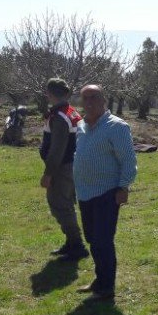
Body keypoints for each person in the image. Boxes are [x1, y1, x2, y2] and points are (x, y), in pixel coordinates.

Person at [73, 85, 137, 300]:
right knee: (93, 239)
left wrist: (123, 186)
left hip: (107, 193)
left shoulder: (116, 127)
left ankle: (106, 289)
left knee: (103, 240)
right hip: (84, 193)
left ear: (104, 101)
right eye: (85, 98)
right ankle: (100, 279)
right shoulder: (81, 126)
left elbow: (128, 160)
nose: (89, 102)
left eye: (94, 97)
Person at [40, 78, 89, 260]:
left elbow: (57, 150)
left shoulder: (59, 117)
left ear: (50, 94)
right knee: (66, 204)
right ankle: (71, 242)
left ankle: (77, 246)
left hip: (62, 167)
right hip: (72, 164)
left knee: (60, 205)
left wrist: (48, 174)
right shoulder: (71, 112)